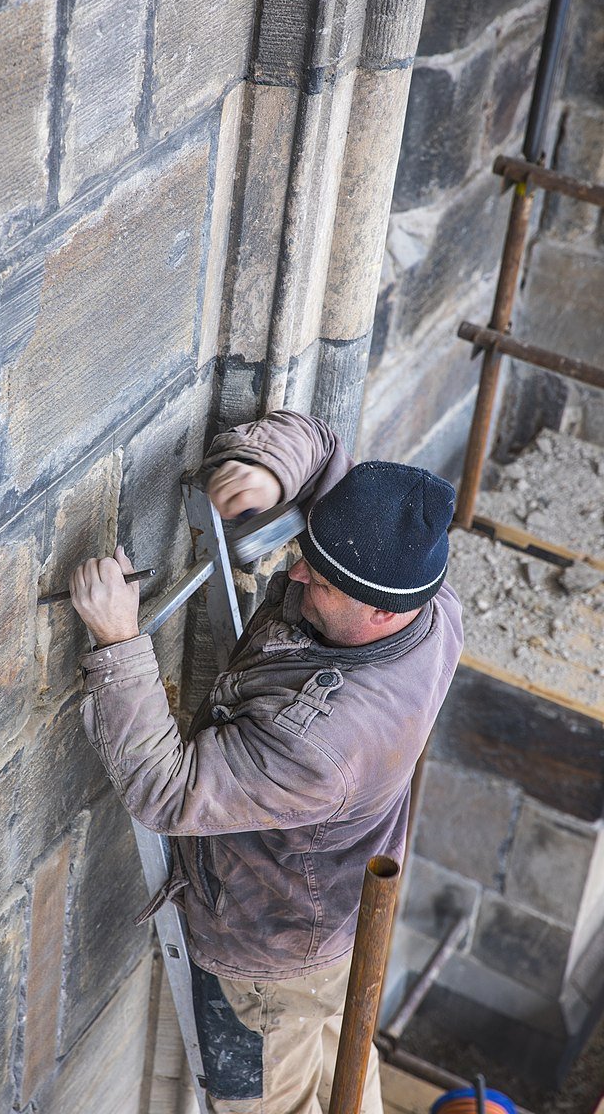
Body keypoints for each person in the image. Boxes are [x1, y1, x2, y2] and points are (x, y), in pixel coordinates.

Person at [69, 409, 464, 1114]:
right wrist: (271, 468)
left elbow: (169, 790)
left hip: (267, 964)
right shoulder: (427, 605)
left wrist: (119, 641)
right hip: (341, 927)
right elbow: (323, 449)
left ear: (380, 613)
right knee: (348, 1077)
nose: (298, 567)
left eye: (323, 581)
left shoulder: (327, 742)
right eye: (310, 549)